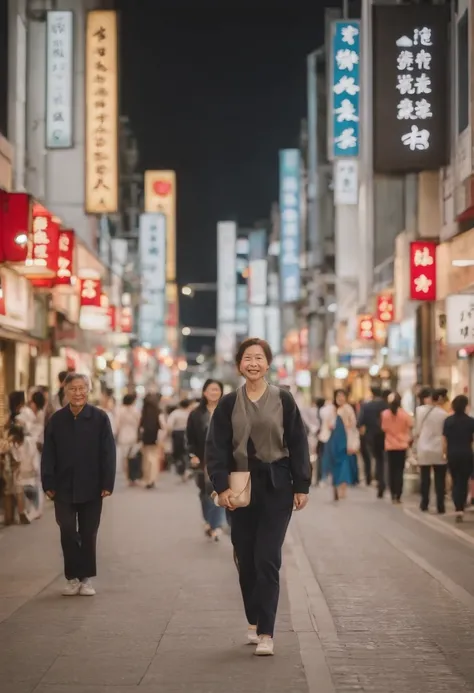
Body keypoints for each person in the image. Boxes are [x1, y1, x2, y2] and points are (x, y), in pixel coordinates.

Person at [206, 337, 311, 657]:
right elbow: (216, 448)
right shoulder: (227, 404)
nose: (253, 363)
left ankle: (267, 631)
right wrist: (221, 485)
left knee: (267, 557)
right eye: (247, 358)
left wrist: (301, 485)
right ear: (239, 365)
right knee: (245, 557)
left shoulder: (284, 399)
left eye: (259, 358)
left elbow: (298, 442)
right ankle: (253, 618)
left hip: (277, 485)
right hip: (240, 488)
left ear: (268, 363)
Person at [41, 373, 116, 596]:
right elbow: (48, 453)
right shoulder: (56, 419)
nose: (78, 393)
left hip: (92, 485)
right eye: (73, 389)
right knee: (66, 529)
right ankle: (72, 577)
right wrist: (48, 481)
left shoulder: (100, 418)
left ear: (88, 390)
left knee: (88, 532)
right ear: (65, 392)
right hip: (62, 486)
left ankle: (86, 579)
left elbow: (108, 453)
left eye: (82, 388)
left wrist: (107, 483)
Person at [186, 379, 225, 541]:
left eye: (217, 389)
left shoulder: (227, 412)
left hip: (222, 460)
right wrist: (192, 455)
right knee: (204, 493)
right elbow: (189, 438)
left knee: (220, 490)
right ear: (204, 392)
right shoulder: (196, 414)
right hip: (202, 459)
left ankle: (214, 525)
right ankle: (208, 521)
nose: (214, 393)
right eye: (211, 390)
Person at [414, 388, 448, 514]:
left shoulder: (419, 411)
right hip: (439, 448)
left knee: (425, 478)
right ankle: (440, 505)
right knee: (440, 478)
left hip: (423, 446)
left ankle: (424, 503)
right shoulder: (444, 414)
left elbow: (417, 430)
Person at [322, 389, 359, 501]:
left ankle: (343, 489)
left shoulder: (348, 409)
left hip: (344, 439)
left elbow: (353, 426)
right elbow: (326, 422)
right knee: (333, 465)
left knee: (343, 465)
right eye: (339, 396)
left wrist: (353, 443)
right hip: (333, 439)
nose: (341, 398)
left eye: (343, 396)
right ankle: (335, 488)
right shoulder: (331, 408)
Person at [443, 395, 474, 523]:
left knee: (455, 480)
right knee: (464, 480)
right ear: (466, 405)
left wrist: (444, 454)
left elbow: (444, 439)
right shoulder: (471, 421)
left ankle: (458, 508)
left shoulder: (448, 421)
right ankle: (461, 506)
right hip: (467, 453)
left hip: (452, 453)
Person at [381, 394, 413, 504]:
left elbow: (383, 428)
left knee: (391, 469)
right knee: (400, 470)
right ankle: (398, 494)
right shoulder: (405, 415)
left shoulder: (385, 414)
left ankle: (393, 492)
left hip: (390, 445)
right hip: (402, 445)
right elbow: (410, 426)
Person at [358, 386, 388, 498]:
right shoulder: (386, 405)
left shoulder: (366, 406)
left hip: (371, 436)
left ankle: (374, 479)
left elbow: (360, 422)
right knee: (384, 460)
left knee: (375, 458)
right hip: (385, 435)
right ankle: (383, 483)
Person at [116, 393, 141, 485]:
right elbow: (139, 422)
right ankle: (133, 477)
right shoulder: (135, 410)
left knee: (125, 457)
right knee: (133, 456)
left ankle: (127, 477)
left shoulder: (120, 410)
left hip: (123, 435)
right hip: (133, 435)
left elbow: (117, 424)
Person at [139, 393, 161, 489]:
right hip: (155, 437)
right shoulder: (157, 412)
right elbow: (163, 426)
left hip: (145, 438)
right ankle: (152, 479)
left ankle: (147, 479)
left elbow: (140, 426)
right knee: (154, 459)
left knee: (146, 459)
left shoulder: (143, 412)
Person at [167, 399, 193, 480]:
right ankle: (187, 469)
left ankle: (181, 470)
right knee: (188, 452)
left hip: (177, 433)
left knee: (178, 452)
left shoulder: (175, 413)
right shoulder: (190, 413)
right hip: (188, 433)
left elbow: (169, 425)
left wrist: (169, 434)